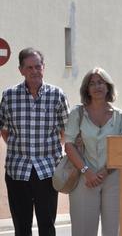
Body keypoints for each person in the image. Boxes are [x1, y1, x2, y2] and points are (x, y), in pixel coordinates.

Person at [0, 48, 69, 236]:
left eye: (38, 66)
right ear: (21, 70)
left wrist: (47, 150)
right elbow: (5, 131)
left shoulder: (57, 95)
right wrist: (22, 148)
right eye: (29, 67)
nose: (34, 71)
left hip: (47, 171)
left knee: (47, 226)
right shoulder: (9, 96)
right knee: (21, 227)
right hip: (17, 171)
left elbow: (65, 131)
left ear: (43, 68)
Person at [64, 67, 122, 236]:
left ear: (108, 86)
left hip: (113, 178)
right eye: (92, 83)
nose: (97, 86)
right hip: (83, 178)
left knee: (113, 230)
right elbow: (69, 144)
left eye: (100, 82)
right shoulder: (77, 113)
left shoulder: (120, 116)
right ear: (87, 89)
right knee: (83, 230)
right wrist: (87, 171)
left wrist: (105, 171)